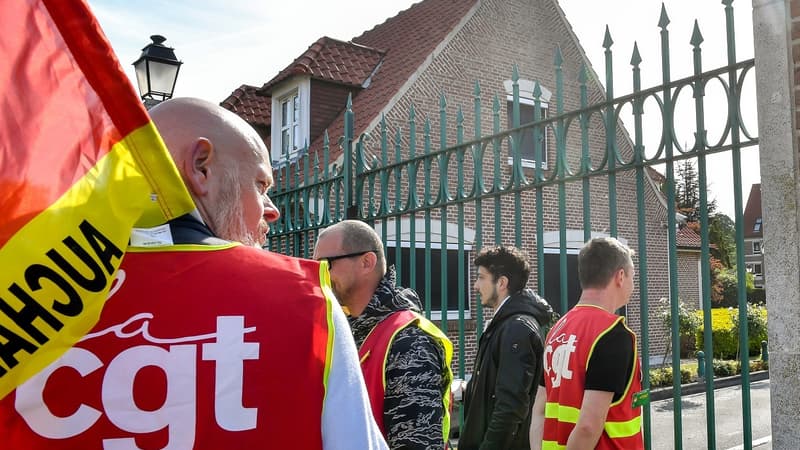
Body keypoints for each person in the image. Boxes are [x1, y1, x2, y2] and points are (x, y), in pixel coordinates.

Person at [0, 98, 387, 450]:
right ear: (201, 166)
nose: (273, 210)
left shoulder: (20, 296)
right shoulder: (306, 304)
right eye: (259, 184)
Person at [313, 220, 453, 450]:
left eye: (326, 264)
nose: (319, 273)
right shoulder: (343, 328)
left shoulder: (409, 340)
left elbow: (416, 443)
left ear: (367, 262)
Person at [531, 237, 644, 450]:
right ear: (620, 276)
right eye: (632, 276)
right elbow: (588, 427)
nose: (632, 284)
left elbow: (539, 410)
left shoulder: (557, 330)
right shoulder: (613, 334)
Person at [459, 245, 553, 450]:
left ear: (501, 283)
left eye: (481, 277)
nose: (475, 286)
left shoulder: (516, 328)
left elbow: (510, 408)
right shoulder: (505, 324)